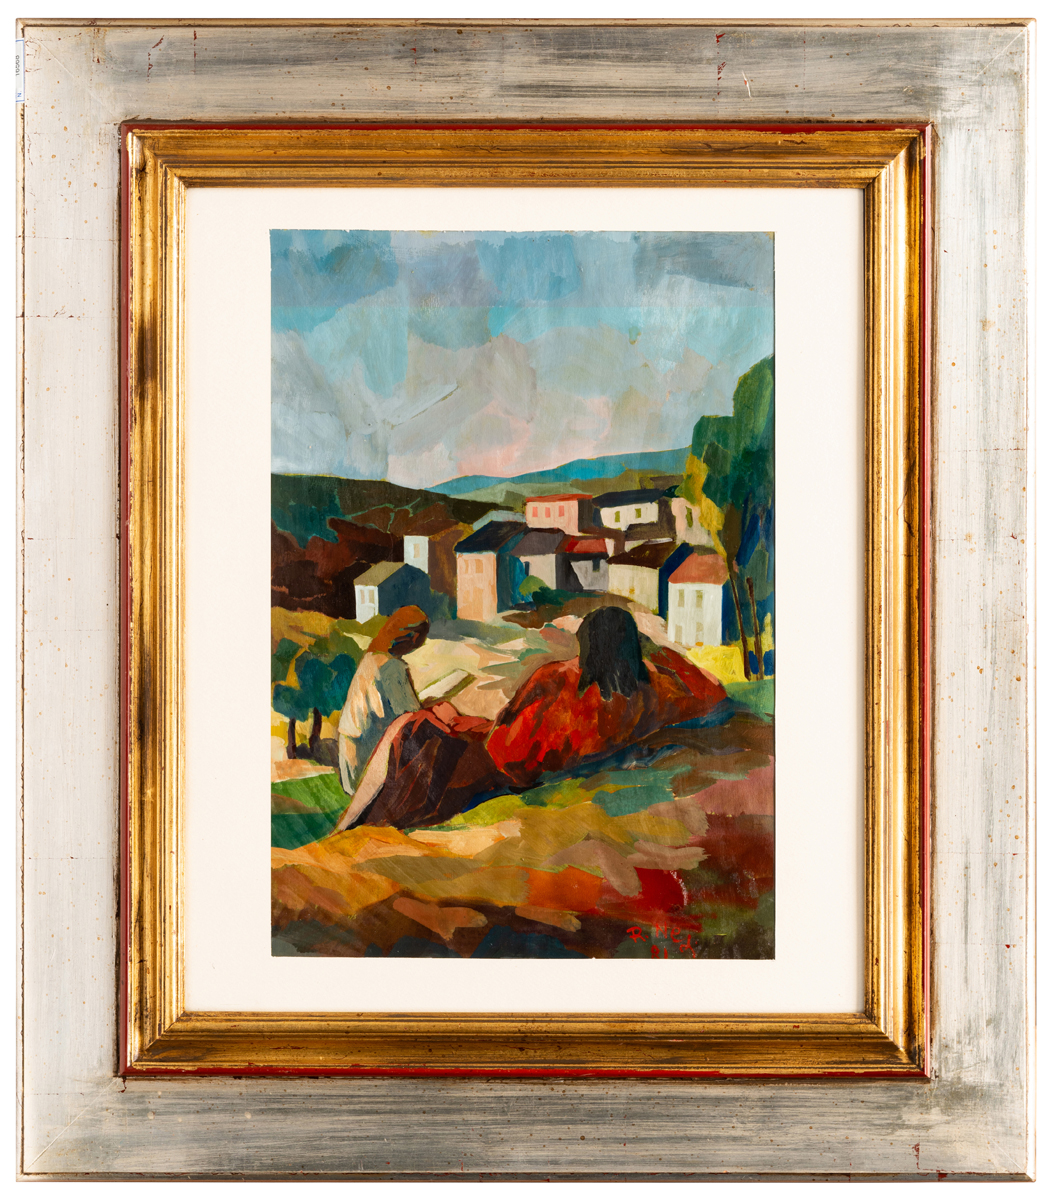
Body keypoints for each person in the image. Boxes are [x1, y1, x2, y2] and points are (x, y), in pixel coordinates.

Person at [332, 605, 727, 833]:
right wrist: (658, 653)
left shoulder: (560, 681)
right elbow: (712, 691)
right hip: (542, 760)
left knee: (410, 730)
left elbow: (508, 751)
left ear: (587, 644)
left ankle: (349, 825)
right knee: (433, 722)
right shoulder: (653, 693)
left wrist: (463, 726)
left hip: (504, 768)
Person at [336, 606, 430, 797]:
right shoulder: (392, 667)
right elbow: (411, 717)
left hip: (350, 765)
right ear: (412, 637)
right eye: (421, 637)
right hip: (367, 773)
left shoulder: (371, 658)